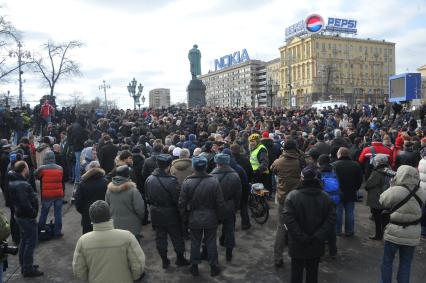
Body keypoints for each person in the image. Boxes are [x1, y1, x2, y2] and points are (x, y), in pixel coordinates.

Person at [283, 165, 336, 283]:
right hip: (316, 243)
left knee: (296, 273)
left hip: (297, 243)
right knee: (313, 273)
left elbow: (288, 220)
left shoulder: (292, 196)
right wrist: (318, 236)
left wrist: (301, 237)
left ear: (301, 179)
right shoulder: (325, 197)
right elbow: (331, 219)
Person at [72, 200, 145, 283]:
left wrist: (90, 278)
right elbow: (138, 263)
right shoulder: (127, 237)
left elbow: (78, 270)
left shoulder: (83, 241)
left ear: (91, 217)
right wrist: (134, 277)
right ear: (109, 215)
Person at [178, 156, 225, 277]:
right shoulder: (214, 181)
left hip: (194, 217)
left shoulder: (187, 182)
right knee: (211, 242)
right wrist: (220, 217)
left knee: (195, 242)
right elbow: (220, 202)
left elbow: (182, 203)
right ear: (205, 166)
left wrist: (184, 218)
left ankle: (194, 267)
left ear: (193, 167)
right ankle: (214, 267)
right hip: (211, 216)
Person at [379, 165, 426, 283]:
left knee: (387, 261)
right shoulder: (422, 192)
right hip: (412, 232)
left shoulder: (395, 190)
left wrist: (391, 186)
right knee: (406, 264)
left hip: (394, 230)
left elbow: (382, 201)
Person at [145, 154, 190, 269]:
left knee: (160, 237)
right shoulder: (171, 181)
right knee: (176, 236)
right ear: (169, 166)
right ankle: (180, 259)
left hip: (155, 212)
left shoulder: (149, 179)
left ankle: (164, 260)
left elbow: (147, 197)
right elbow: (178, 200)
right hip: (170, 213)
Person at [271, 139, 303, 267]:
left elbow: (273, 170)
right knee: (299, 226)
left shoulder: (278, 162)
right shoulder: (300, 161)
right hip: (298, 198)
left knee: (281, 227)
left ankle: (278, 257)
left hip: (282, 198)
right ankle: (298, 256)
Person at [8, 161, 43, 277]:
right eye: (27, 167)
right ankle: (27, 268)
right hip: (26, 217)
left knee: (24, 240)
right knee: (31, 242)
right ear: (24, 169)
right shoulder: (22, 184)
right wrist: (33, 213)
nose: (28, 169)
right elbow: (24, 203)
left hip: (20, 216)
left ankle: (25, 264)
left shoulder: (14, 182)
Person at [211, 153, 242, 262]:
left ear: (217, 163)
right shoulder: (235, 175)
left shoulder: (212, 176)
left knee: (212, 231)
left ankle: (210, 252)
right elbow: (238, 194)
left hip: (215, 207)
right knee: (230, 229)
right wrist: (236, 206)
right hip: (229, 206)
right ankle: (229, 253)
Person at [105, 165, 145, 240]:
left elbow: (107, 206)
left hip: (115, 225)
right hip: (132, 226)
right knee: (133, 249)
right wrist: (141, 218)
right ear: (128, 175)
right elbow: (140, 208)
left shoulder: (109, 190)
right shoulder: (133, 190)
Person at [333, 147, 363, 237]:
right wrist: (355, 189)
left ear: (339, 154)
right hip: (351, 192)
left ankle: (337, 231)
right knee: (350, 212)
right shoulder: (356, 165)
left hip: (338, 192)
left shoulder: (334, 165)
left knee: (338, 212)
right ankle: (349, 231)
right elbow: (360, 180)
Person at [34, 151, 64, 238]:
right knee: (58, 213)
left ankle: (39, 231)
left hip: (47, 194)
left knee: (44, 212)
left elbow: (36, 176)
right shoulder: (60, 168)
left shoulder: (42, 168)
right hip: (58, 193)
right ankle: (57, 232)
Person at [365, 154, 395, 240]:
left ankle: (378, 235)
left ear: (378, 162)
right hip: (388, 198)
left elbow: (369, 184)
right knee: (385, 218)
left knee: (377, 219)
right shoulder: (390, 171)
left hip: (377, 198)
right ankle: (384, 233)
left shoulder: (377, 172)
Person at [74, 161, 108, 234]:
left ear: (88, 169)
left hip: (87, 218)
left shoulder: (82, 184)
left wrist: (84, 212)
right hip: (104, 218)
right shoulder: (106, 182)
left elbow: (78, 202)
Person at [317, 154, 339, 256]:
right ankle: (333, 251)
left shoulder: (318, 172)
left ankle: (320, 252)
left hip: (321, 201)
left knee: (320, 226)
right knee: (331, 226)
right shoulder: (334, 171)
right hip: (333, 200)